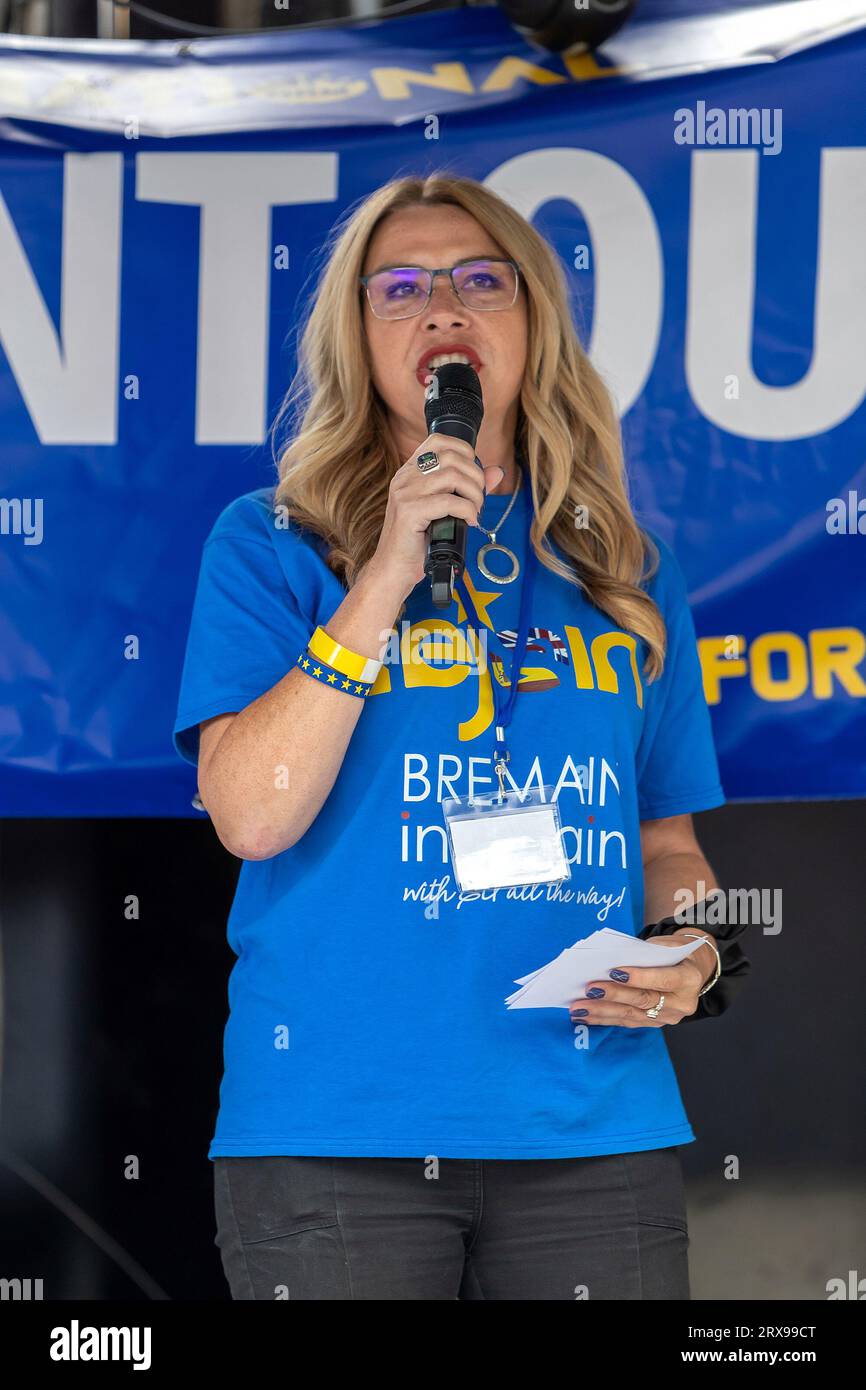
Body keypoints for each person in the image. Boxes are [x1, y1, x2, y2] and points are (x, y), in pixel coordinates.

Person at [173, 172, 733, 1302]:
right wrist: (382, 573)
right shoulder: (271, 542)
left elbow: (666, 846)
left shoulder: (624, 567)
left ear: (531, 324)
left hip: (589, 1127)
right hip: (337, 1133)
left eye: (481, 280)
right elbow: (250, 811)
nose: (442, 308)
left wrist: (699, 955)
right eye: (401, 289)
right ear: (358, 335)